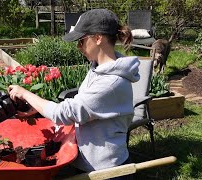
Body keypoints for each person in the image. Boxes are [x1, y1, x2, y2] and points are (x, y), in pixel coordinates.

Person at [8, 9, 140, 179]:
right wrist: (37, 109)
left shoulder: (112, 83)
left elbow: (64, 113)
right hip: (88, 163)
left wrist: (25, 94)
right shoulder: (97, 69)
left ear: (98, 38)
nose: (78, 47)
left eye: (82, 41)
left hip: (107, 171)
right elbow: (81, 106)